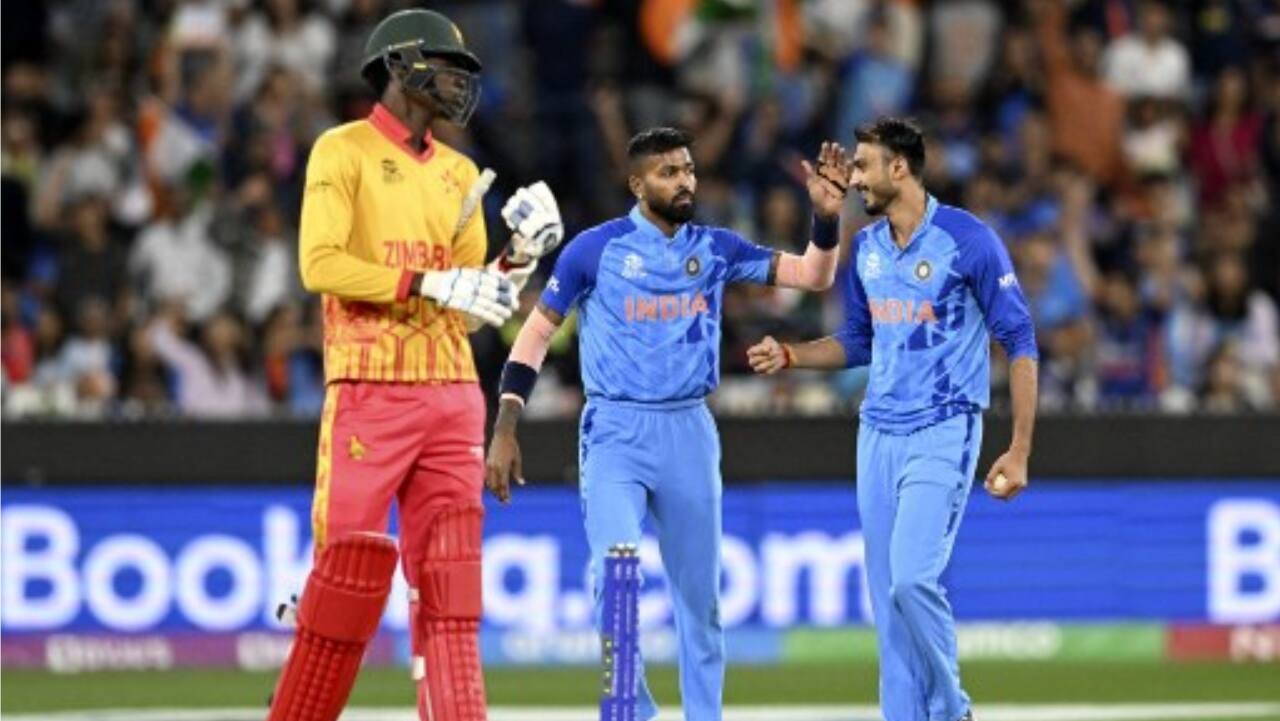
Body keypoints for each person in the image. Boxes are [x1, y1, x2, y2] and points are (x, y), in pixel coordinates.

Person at [485, 126, 852, 721]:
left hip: (688, 431)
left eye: (688, 170)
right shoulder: (592, 250)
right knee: (617, 574)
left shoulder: (716, 247)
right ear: (637, 185)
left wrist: (827, 219)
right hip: (615, 433)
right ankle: (630, 712)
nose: (684, 181)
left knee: (700, 602)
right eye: (668, 173)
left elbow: (814, 276)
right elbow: (534, 334)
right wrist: (505, 425)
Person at [264, 9, 565, 721]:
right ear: (399, 65)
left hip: (453, 392)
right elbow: (320, 263)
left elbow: (465, 306)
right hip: (369, 389)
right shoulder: (341, 150)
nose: (461, 82)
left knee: (451, 583)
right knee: (344, 580)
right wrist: (428, 282)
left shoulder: (461, 172)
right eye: (447, 65)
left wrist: (517, 260)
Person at [747, 118, 1039, 721]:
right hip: (876, 433)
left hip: (943, 427)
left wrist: (1019, 448)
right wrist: (795, 355)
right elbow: (859, 339)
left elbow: (1020, 340)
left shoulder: (968, 240)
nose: (853, 177)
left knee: (911, 581)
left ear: (898, 168)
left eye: (863, 165)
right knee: (888, 606)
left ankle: (952, 707)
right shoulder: (869, 249)